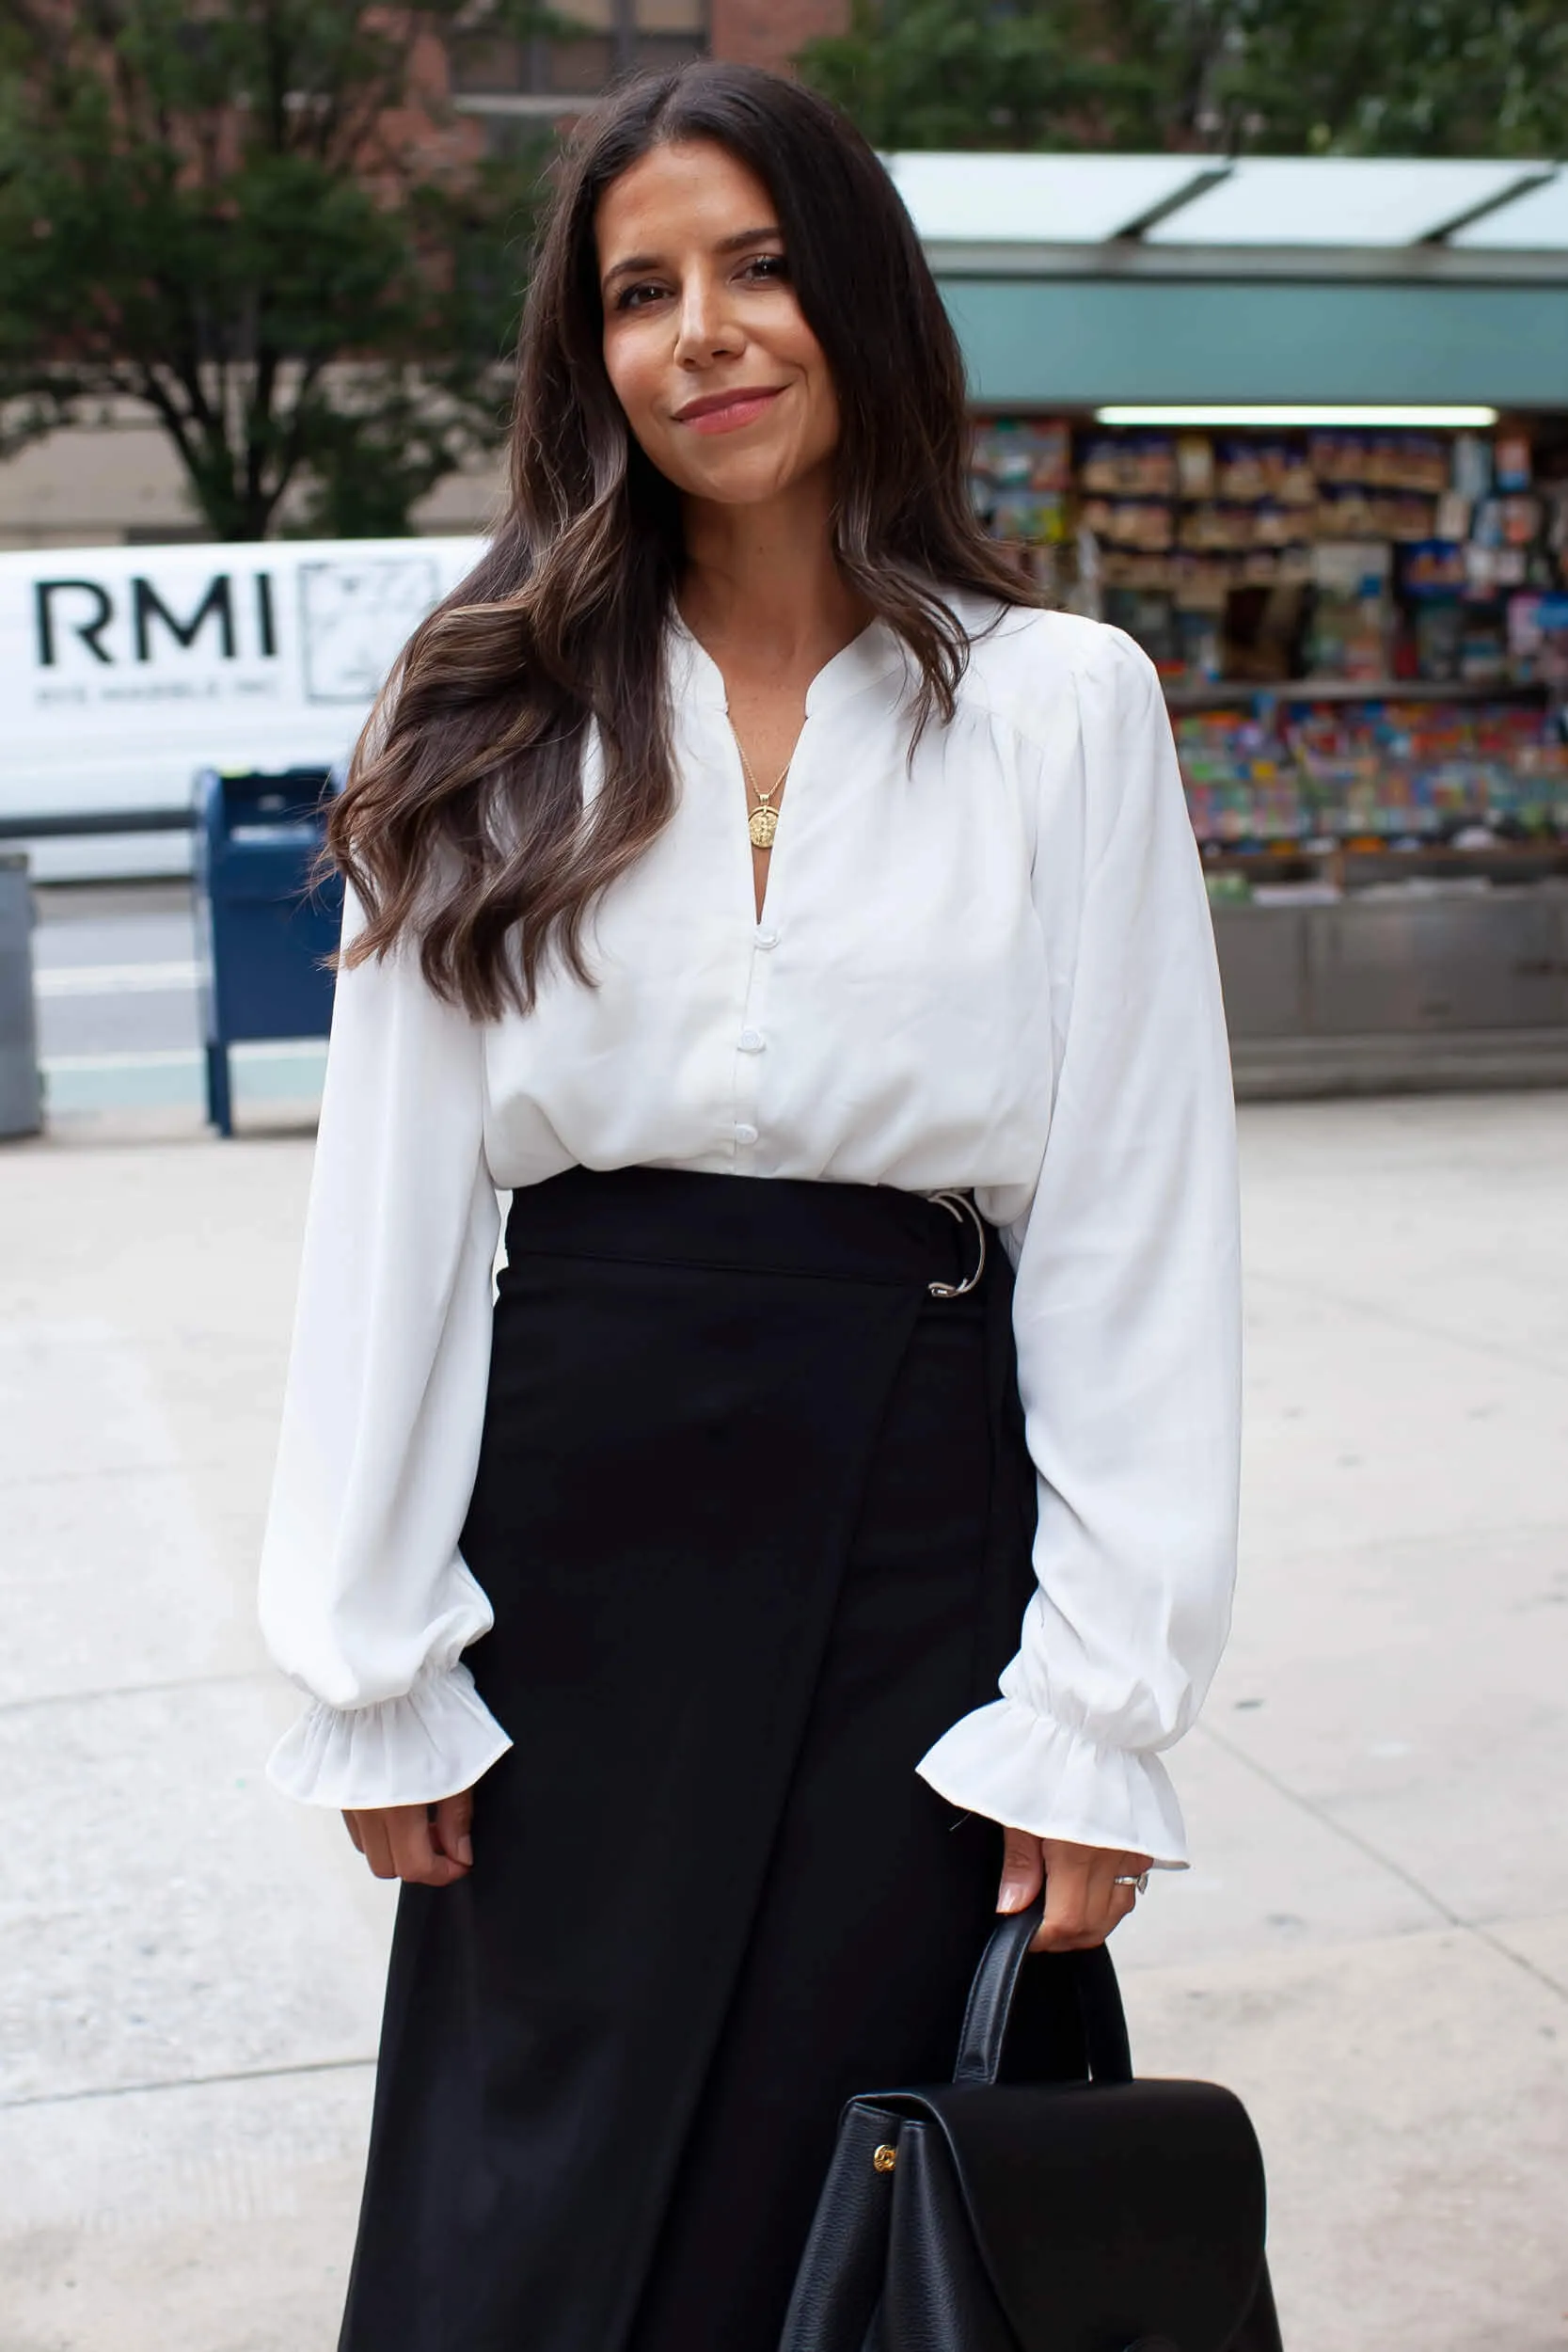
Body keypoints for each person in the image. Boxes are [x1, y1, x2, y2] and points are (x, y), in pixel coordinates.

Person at [257, 58, 1241, 2352]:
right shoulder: (488, 700)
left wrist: (1093, 1707)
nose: (700, 330)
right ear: (585, 356)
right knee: (534, 2209)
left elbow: (1131, 1221)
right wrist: (369, 1651)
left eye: (758, 266)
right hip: (571, 1559)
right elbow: (390, 1199)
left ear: (859, 299)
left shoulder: (1063, 707)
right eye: (639, 290)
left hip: (920, 1535)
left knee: (853, 2197)